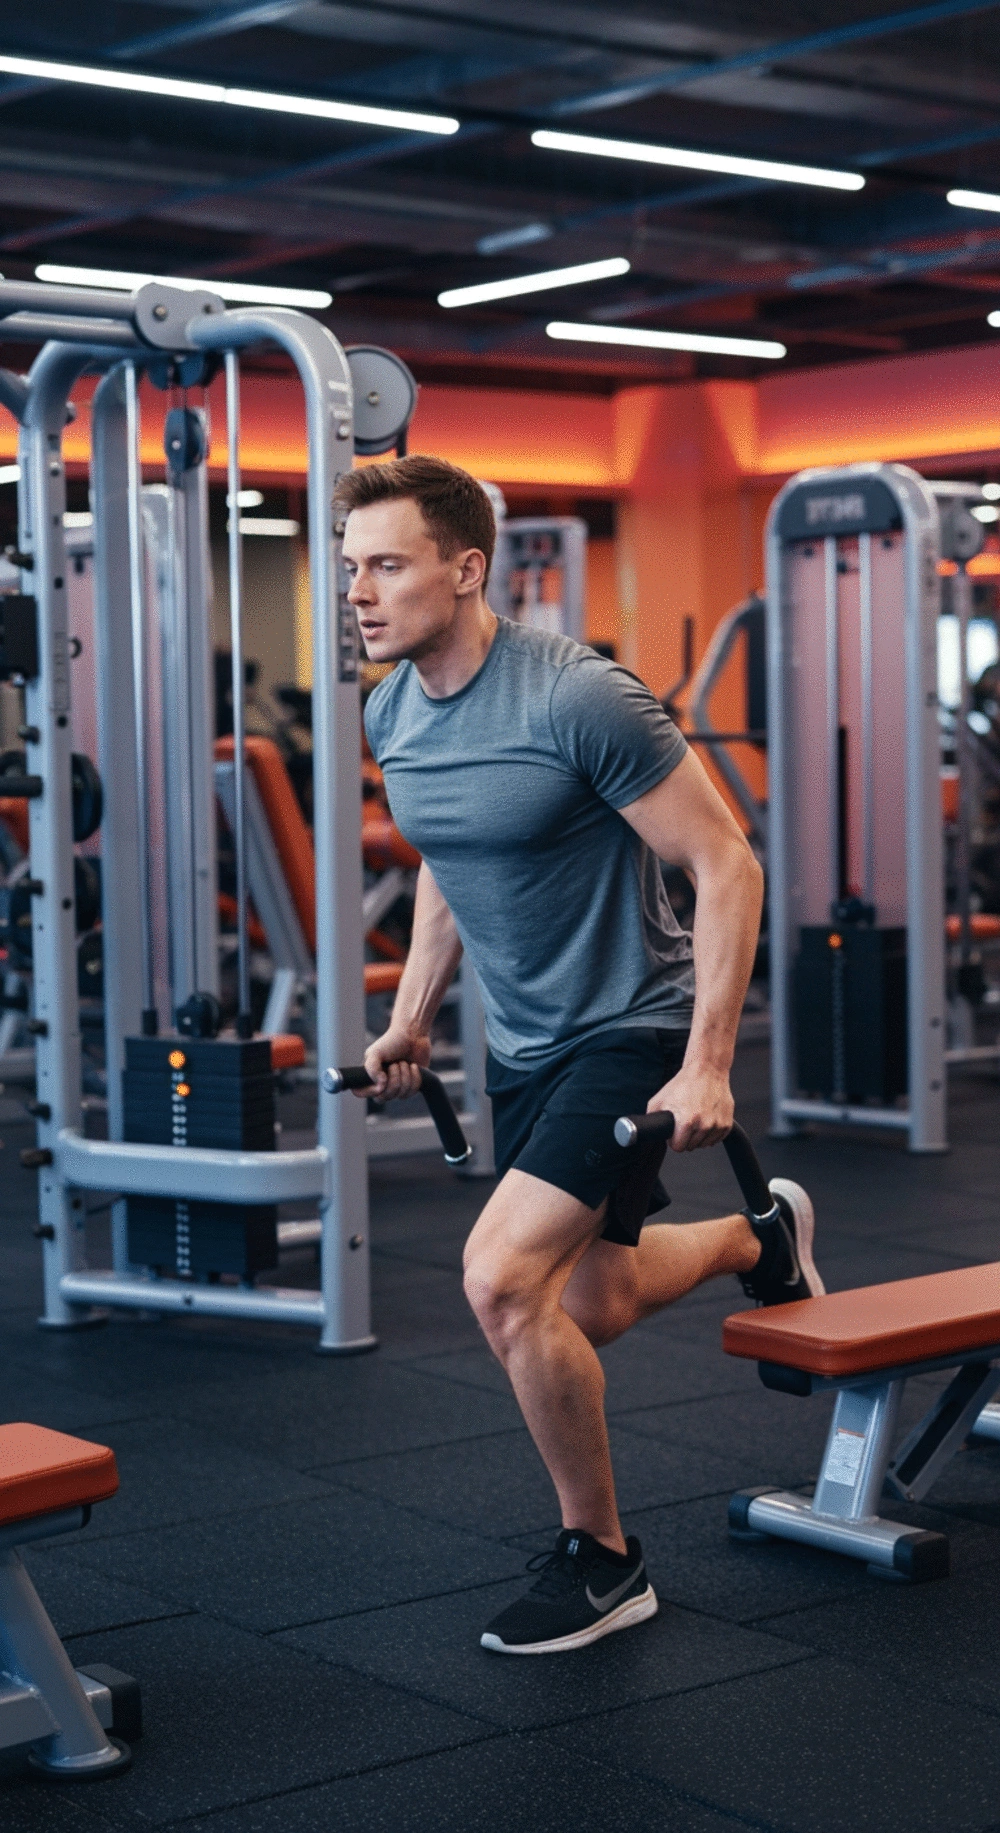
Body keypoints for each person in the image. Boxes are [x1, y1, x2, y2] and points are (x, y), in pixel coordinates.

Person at [336, 455, 824, 1657]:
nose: (358, 590)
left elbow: (728, 866)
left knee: (502, 1283)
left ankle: (604, 1560)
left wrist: (706, 1064)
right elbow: (452, 861)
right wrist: (412, 1014)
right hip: (527, 1045)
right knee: (589, 1304)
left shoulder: (575, 697)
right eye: (349, 568)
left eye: (386, 565)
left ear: (465, 568)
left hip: (631, 1026)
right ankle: (756, 1237)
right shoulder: (388, 706)